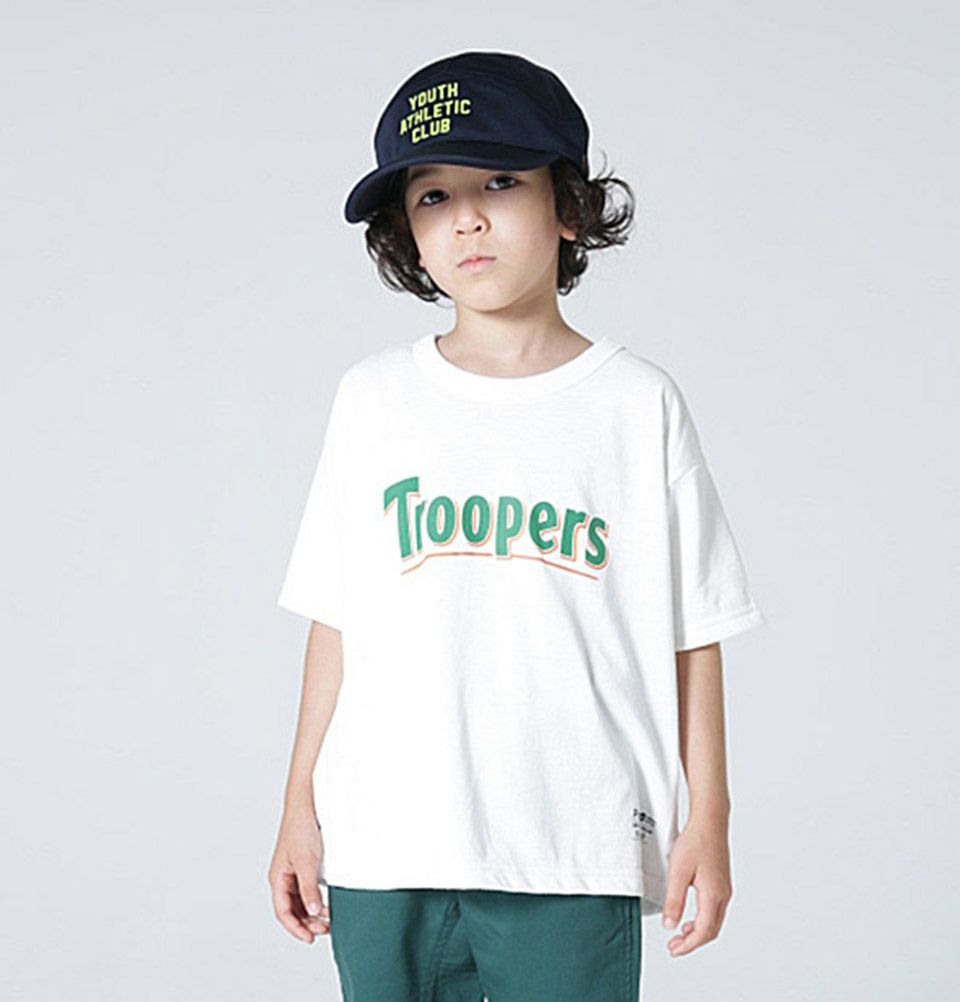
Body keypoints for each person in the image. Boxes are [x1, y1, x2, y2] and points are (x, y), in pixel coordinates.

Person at [267, 50, 766, 1002]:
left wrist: (711, 817)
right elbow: (337, 617)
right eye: (433, 196)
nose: (468, 218)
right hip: (385, 837)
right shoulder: (374, 400)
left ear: (568, 206)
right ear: (407, 234)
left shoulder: (635, 405)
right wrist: (299, 804)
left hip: (571, 842)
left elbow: (694, 630)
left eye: (500, 182)